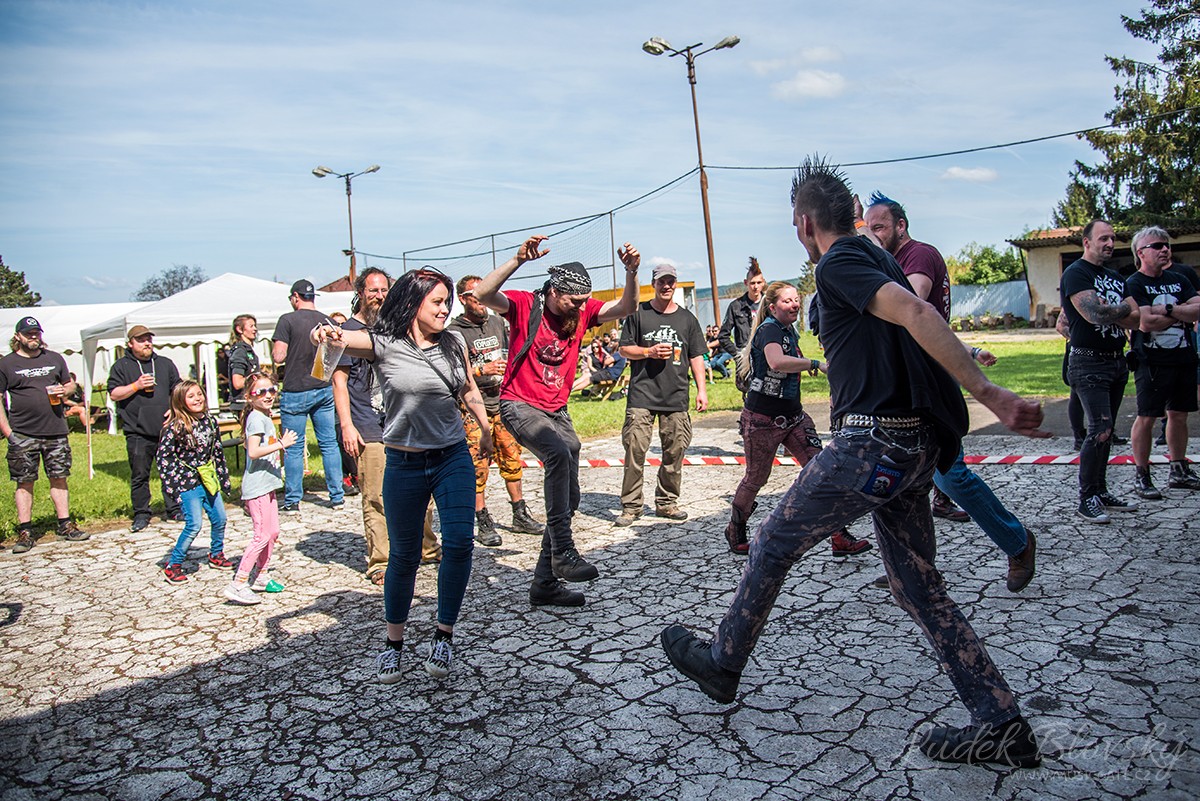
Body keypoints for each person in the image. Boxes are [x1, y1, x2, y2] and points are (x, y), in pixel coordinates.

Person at [661, 156, 1049, 768]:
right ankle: (1000, 720)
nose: (796, 234)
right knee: (919, 587)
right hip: (915, 451)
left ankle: (723, 663)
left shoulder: (841, 260)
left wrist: (991, 395)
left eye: (795, 223)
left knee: (772, 542)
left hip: (872, 445)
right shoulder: (881, 259)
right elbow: (917, 323)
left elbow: (919, 315)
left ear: (806, 221)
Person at [314, 267, 492, 683]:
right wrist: (321, 334)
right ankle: (393, 644)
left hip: (452, 459)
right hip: (404, 464)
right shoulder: (383, 344)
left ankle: (443, 637)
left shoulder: (453, 342)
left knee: (460, 544)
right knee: (404, 557)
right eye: (438, 302)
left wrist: (484, 427)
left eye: (447, 302)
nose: (445, 309)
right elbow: (334, 339)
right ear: (414, 303)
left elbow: (467, 388)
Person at [863, 193, 1037, 591]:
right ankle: (908, 566)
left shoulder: (917, 255)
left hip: (930, 384)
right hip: (910, 381)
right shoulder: (890, 260)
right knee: (905, 476)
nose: (873, 235)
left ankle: (1018, 541)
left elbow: (913, 304)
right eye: (868, 228)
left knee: (950, 475)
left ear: (900, 226)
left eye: (880, 227)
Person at [473, 236, 642, 608]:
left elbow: (627, 306)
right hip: (518, 403)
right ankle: (563, 550)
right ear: (553, 291)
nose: (580, 308)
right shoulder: (523, 305)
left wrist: (632, 271)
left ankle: (544, 583)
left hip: (557, 409)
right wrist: (518, 259)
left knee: (571, 491)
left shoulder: (581, 311)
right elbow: (483, 293)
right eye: (573, 301)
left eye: (584, 302)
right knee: (557, 453)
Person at [724, 281, 872, 559]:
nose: (795, 304)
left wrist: (807, 362)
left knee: (822, 470)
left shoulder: (787, 329)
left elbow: (788, 359)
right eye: (787, 301)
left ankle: (839, 536)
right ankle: (736, 530)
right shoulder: (768, 328)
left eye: (796, 300)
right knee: (757, 477)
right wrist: (813, 364)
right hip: (762, 419)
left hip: (793, 416)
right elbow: (776, 362)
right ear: (772, 307)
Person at [332, 267, 442, 585]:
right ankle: (380, 560)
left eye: (384, 290)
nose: (379, 296)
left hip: (407, 425)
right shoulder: (347, 330)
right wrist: (346, 426)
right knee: (377, 496)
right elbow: (338, 383)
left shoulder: (395, 329)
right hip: (369, 426)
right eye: (372, 290)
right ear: (360, 294)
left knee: (423, 493)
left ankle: (428, 548)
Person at [447, 274, 545, 546]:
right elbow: (455, 375)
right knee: (478, 465)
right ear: (464, 300)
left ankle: (519, 512)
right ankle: (482, 518)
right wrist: (481, 370)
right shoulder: (455, 332)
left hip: (502, 402)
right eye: (476, 295)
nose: (482, 301)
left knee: (512, 458)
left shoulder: (497, 322)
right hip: (473, 410)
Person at [613, 262, 708, 526]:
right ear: (653, 284)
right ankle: (631, 506)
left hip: (676, 395)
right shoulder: (638, 313)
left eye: (670, 281)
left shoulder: (687, 319)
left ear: (675, 284)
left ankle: (666, 502)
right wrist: (648, 352)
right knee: (635, 450)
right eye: (661, 281)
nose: (666, 286)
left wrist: (702, 390)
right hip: (642, 394)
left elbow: (697, 355)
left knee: (675, 451)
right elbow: (624, 349)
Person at [1060, 220, 1141, 523]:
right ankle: (1086, 499)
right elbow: (1094, 314)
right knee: (1100, 428)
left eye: (1113, 239)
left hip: (1116, 360)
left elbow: (1137, 321)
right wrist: (1121, 309)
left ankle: (1101, 491)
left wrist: (1114, 309)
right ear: (1087, 242)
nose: (1109, 244)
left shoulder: (1115, 276)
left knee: (1107, 433)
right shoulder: (1076, 273)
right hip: (1088, 361)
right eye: (1103, 238)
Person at [0, 317, 88, 552]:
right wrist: (8, 432)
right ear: (18, 336)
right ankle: (26, 530)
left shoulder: (54, 358)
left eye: (36, 333)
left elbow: (70, 385)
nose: (33, 337)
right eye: (28, 334)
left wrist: (65, 389)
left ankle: (65, 524)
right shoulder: (6, 364)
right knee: (24, 481)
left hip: (56, 430)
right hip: (23, 432)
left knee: (59, 477)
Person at [1125, 226, 1200, 496]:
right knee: (1147, 417)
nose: (1165, 249)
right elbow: (1145, 322)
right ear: (1141, 252)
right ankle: (1142, 475)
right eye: (1157, 246)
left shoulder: (1180, 278)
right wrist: (1183, 313)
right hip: (1152, 361)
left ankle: (1178, 469)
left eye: (1166, 245)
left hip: (1183, 357)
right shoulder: (1135, 282)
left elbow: (1198, 309)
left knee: (1179, 415)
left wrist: (1167, 308)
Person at [271, 279, 344, 513]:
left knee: (293, 447)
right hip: (322, 387)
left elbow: (278, 356)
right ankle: (337, 496)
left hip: (295, 390)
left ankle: (292, 500)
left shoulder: (287, 320)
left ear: (295, 297)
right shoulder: (328, 321)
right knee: (329, 444)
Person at [223, 372, 297, 604]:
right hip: (257, 487)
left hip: (268, 485)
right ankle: (238, 583)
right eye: (261, 392)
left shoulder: (264, 416)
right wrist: (282, 444)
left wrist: (277, 445)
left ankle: (261, 576)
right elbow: (253, 451)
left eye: (272, 390)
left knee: (272, 533)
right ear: (249, 396)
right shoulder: (256, 418)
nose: (268, 395)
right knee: (261, 535)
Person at [108, 324, 182, 531]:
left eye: (149, 339)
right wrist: (136, 386)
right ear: (130, 344)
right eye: (141, 340)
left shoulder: (165, 363)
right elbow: (114, 393)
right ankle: (141, 513)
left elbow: (178, 389)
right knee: (140, 473)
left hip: (166, 427)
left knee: (171, 470)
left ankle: (174, 508)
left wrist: (175, 409)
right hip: (138, 430)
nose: (147, 343)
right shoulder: (121, 366)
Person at [159, 381, 234, 582]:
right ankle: (173, 565)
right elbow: (164, 457)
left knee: (220, 518)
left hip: (207, 478)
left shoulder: (210, 422)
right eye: (191, 396)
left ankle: (216, 554)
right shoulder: (176, 426)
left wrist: (223, 477)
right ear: (180, 401)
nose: (197, 399)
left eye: (199, 394)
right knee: (194, 525)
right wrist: (173, 485)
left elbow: (216, 450)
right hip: (187, 482)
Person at [716, 257, 767, 379]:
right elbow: (723, 336)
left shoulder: (770, 304)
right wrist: (738, 355)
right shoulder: (736, 306)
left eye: (759, 283)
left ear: (764, 282)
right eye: (752, 283)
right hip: (745, 361)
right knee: (749, 394)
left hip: (767, 357)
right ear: (746, 283)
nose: (755, 287)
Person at [226, 315, 260, 413]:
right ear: (239, 329)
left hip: (251, 402)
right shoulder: (240, 351)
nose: (255, 329)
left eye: (255, 326)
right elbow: (237, 383)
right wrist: (257, 378)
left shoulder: (248, 351)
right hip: (243, 405)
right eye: (251, 326)